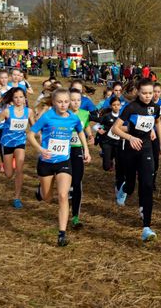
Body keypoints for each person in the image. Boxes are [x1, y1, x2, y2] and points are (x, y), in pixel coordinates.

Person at [28, 88, 91, 246]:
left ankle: (62, 233)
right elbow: (30, 134)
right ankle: (41, 191)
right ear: (54, 102)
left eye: (66, 102)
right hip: (46, 162)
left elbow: (80, 131)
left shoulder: (73, 118)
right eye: (59, 102)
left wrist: (86, 149)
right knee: (48, 198)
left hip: (64, 161)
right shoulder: (47, 116)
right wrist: (40, 149)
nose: (63, 105)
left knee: (63, 195)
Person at [111, 78, 161, 242]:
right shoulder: (131, 108)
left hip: (147, 148)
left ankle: (146, 227)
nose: (148, 96)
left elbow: (156, 122)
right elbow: (115, 128)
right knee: (130, 186)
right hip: (131, 149)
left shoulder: (155, 108)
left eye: (150, 93)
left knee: (147, 184)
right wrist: (130, 138)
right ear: (137, 92)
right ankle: (123, 188)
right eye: (144, 93)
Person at [0, 87, 35, 208]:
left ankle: (17, 197)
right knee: (9, 174)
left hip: (20, 142)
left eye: (21, 97)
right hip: (7, 143)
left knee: (19, 170)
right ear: (12, 99)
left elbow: (34, 128)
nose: (18, 100)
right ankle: (8, 162)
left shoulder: (29, 112)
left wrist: (42, 137)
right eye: (16, 97)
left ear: (25, 98)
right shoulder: (7, 111)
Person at [68, 89, 94, 229]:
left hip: (77, 149)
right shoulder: (62, 114)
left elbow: (86, 126)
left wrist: (89, 137)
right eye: (73, 100)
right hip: (63, 152)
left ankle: (75, 216)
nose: (76, 103)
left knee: (77, 182)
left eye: (78, 100)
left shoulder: (84, 114)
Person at [95, 97, 125, 197]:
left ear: (121, 106)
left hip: (118, 143)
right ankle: (107, 158)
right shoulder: (107, 116)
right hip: (107, 142)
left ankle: (118, 184)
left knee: (119, 166)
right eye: (114, 105)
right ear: (111, 106)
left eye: (118, 105)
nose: (116, 106)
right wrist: (99, 129)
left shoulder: (123, 116)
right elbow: (96, 126)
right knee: (106, 167)